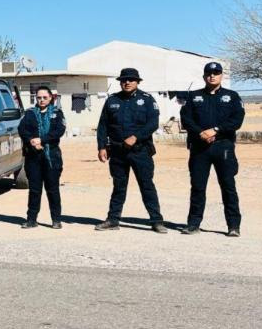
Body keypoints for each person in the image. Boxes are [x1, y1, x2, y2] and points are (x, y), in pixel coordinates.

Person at [95, 68, 166, 233]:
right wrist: (101, 146)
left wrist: (136, 137)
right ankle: (113, 220)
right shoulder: (112, 100)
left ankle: (157, 221)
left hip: (140, 151)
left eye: (131, 80)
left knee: (147, 186)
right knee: (118, 187)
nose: (127, 82)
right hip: (118, 151)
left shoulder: (146, 99)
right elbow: (103, 125)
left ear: (137, 82)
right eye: (124, 80)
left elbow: (153, 123)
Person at [180, 61, 245, 237]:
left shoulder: (232, 96)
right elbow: (186, 119)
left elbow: (237, 120)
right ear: (204, 76)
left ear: (221, 76)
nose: (212, 76)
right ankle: (193, 224)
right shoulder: (194, 96)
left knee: (228, 186)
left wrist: (216, 130)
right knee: (198, 187)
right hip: (199, 148)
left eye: (216, 73)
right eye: (209, 73)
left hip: (223, 147)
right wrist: (200, 133)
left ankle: (233, 226)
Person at [18, 86, 66, 229]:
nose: (42, 100)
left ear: (51, 98)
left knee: (52, 189)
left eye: (45, 97)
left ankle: (56, 219)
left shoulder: (57, 113)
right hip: (33, 157)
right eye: (39, 97)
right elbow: (22, 129)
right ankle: (31, 219)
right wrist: (31, 140)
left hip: (51, 156)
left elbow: (59, 131)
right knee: (34, 190)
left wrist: (42, 140)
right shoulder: (30, 113)